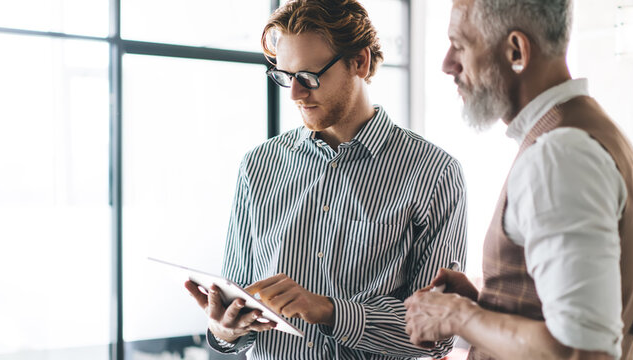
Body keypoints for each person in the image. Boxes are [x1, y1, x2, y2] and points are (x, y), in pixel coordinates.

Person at [184, 0, 467, 358]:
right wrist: (224, 329)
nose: (294, 94)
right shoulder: (257, 166)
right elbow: (238, 304)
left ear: (360, 62)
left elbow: (438, 333)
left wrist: (330, 311)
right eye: (285, 77)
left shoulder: (434, 173)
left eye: (308, 77)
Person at [404, 0, 633, 359]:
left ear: (516, 51)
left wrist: (458, 315)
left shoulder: (559, 156)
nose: (447, 64)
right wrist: (487, 302)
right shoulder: (588, 135)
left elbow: (581, 351)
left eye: (460, 44)